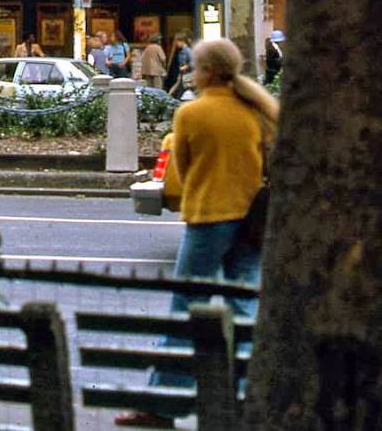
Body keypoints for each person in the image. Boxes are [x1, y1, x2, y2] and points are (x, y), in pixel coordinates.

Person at [115, 37, 279, 428]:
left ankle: (163, 403)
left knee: (186, 308)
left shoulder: (192, 115)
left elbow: (183, 172)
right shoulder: (256, 111)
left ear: (204, 71)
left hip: (208, 217)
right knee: (244, 306)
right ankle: (245, 395)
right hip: (252, 219)